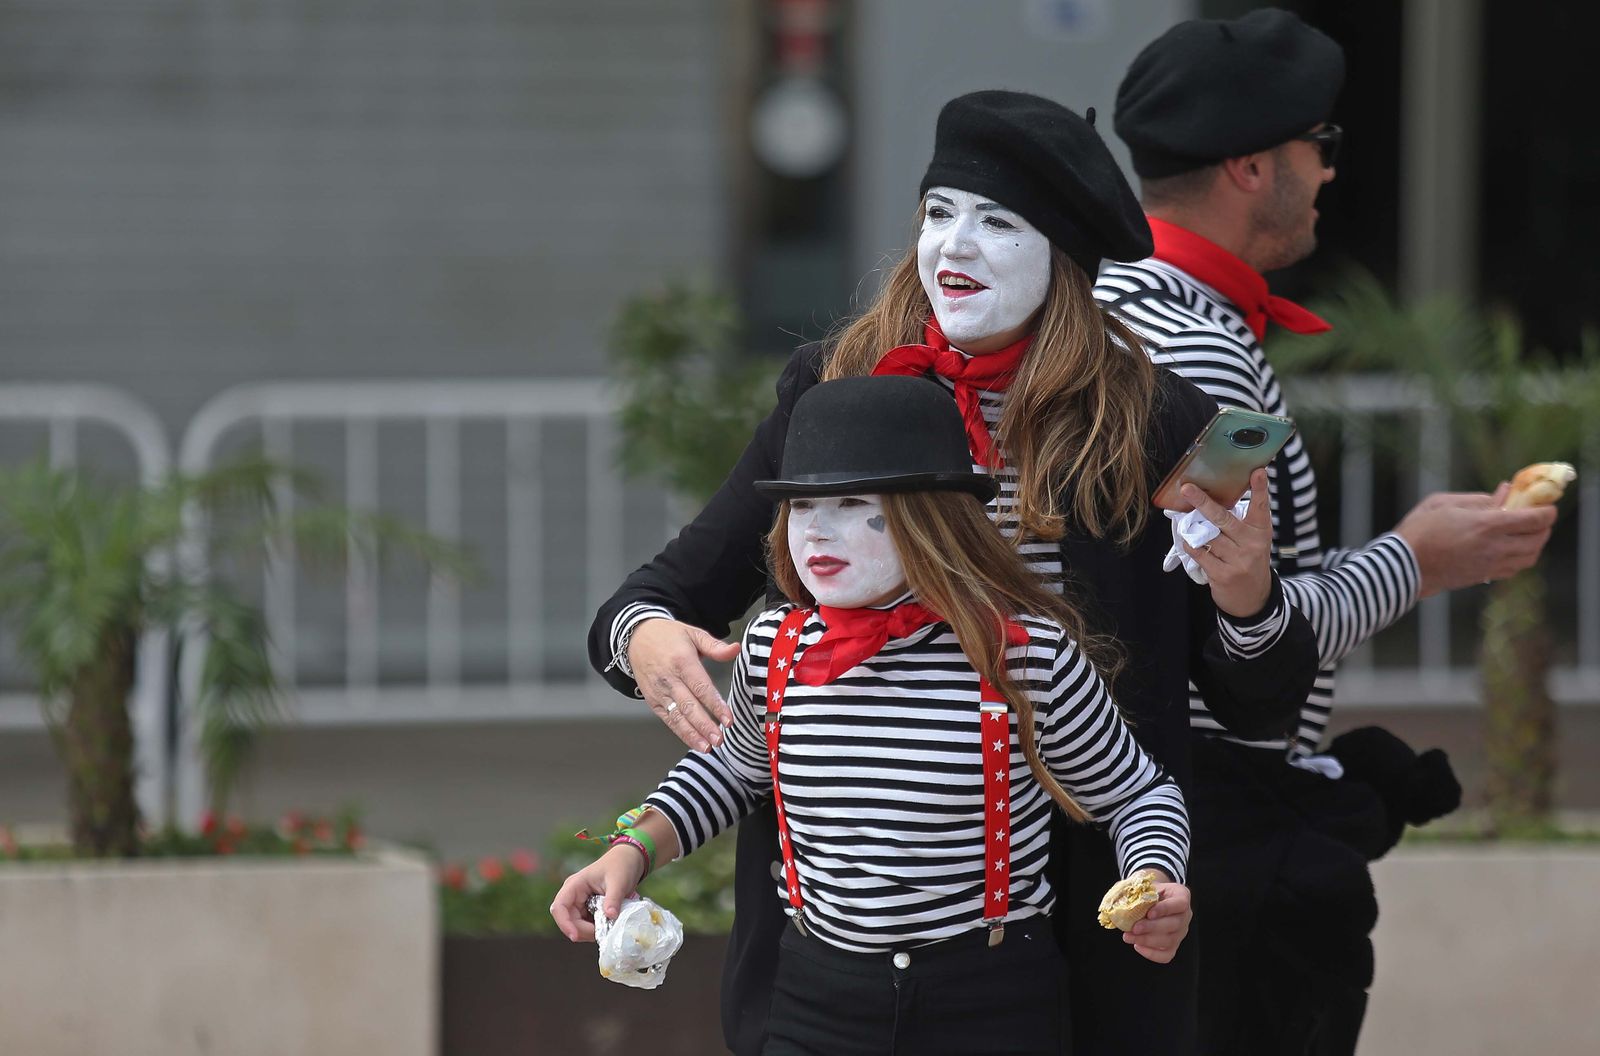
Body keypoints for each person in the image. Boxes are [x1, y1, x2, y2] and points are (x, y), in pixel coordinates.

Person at [587, 90, 1321, 1055]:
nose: (953, 248)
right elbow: (668, 594)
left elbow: (1258, 705)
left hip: (1081, 895)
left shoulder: (1150, 419)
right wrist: (643, 635)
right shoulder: (838, 389)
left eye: (997, 223)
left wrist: (1246, 596)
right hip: (842, 926)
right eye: (939, 214)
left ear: (1062, 260)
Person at [1094, 9, 1559, 1053]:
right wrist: (1414, 561)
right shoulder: (1194, 355)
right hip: (1203, 824)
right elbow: (1227, 637)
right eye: (1323, 147)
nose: (1331, 173)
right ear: (1252, 167)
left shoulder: (1124, 308)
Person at [555, 375, 1195, 1055]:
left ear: (932, 517)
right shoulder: (777, 647)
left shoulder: (1022, 658)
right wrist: (635, 846)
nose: (819, 530)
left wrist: (1152, 876)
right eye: (802, 506)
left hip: (989, 1001)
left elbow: (1137, 794)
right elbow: (733, 773)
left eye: (853, 502)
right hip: (815, 1000)